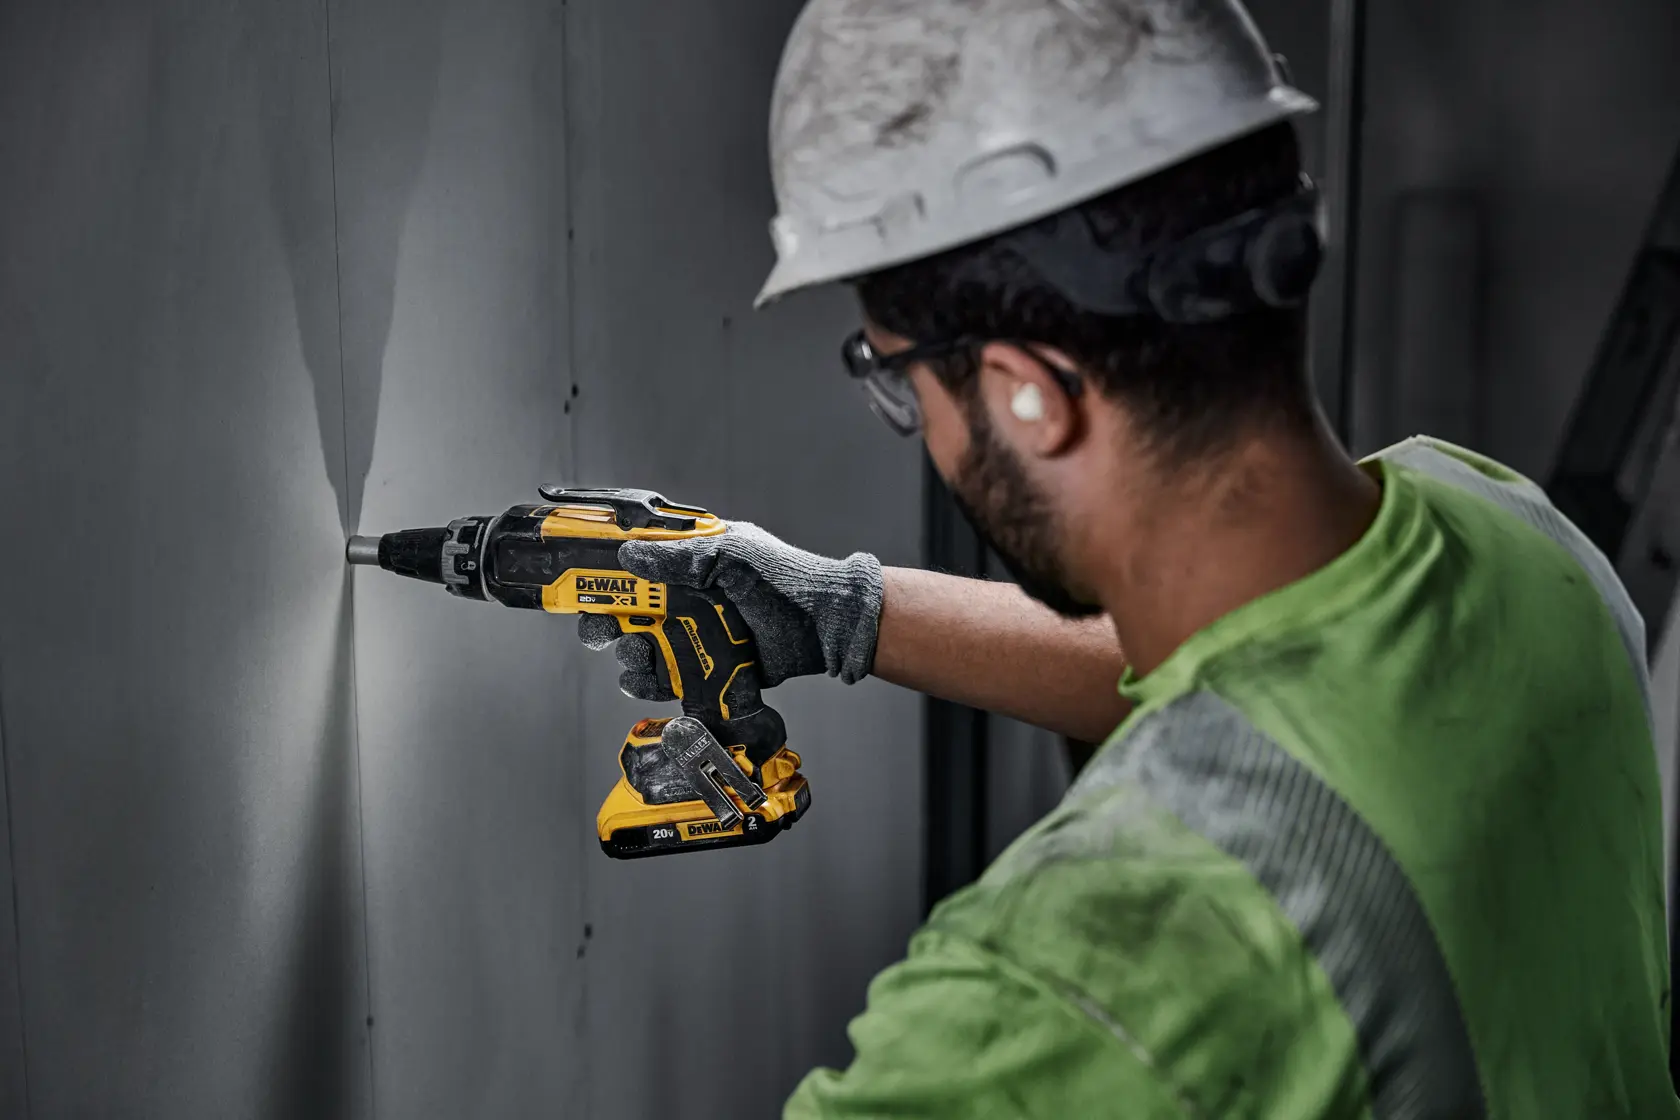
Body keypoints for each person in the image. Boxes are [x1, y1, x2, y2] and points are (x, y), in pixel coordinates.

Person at [579, 0, 1677, 1114]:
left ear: (1027, 391)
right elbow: (1278, 687)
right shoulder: (1517, 535)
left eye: (896, 373)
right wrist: (841, 610)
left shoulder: (1085, 973)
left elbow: (1255, 776)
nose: (911, 410)